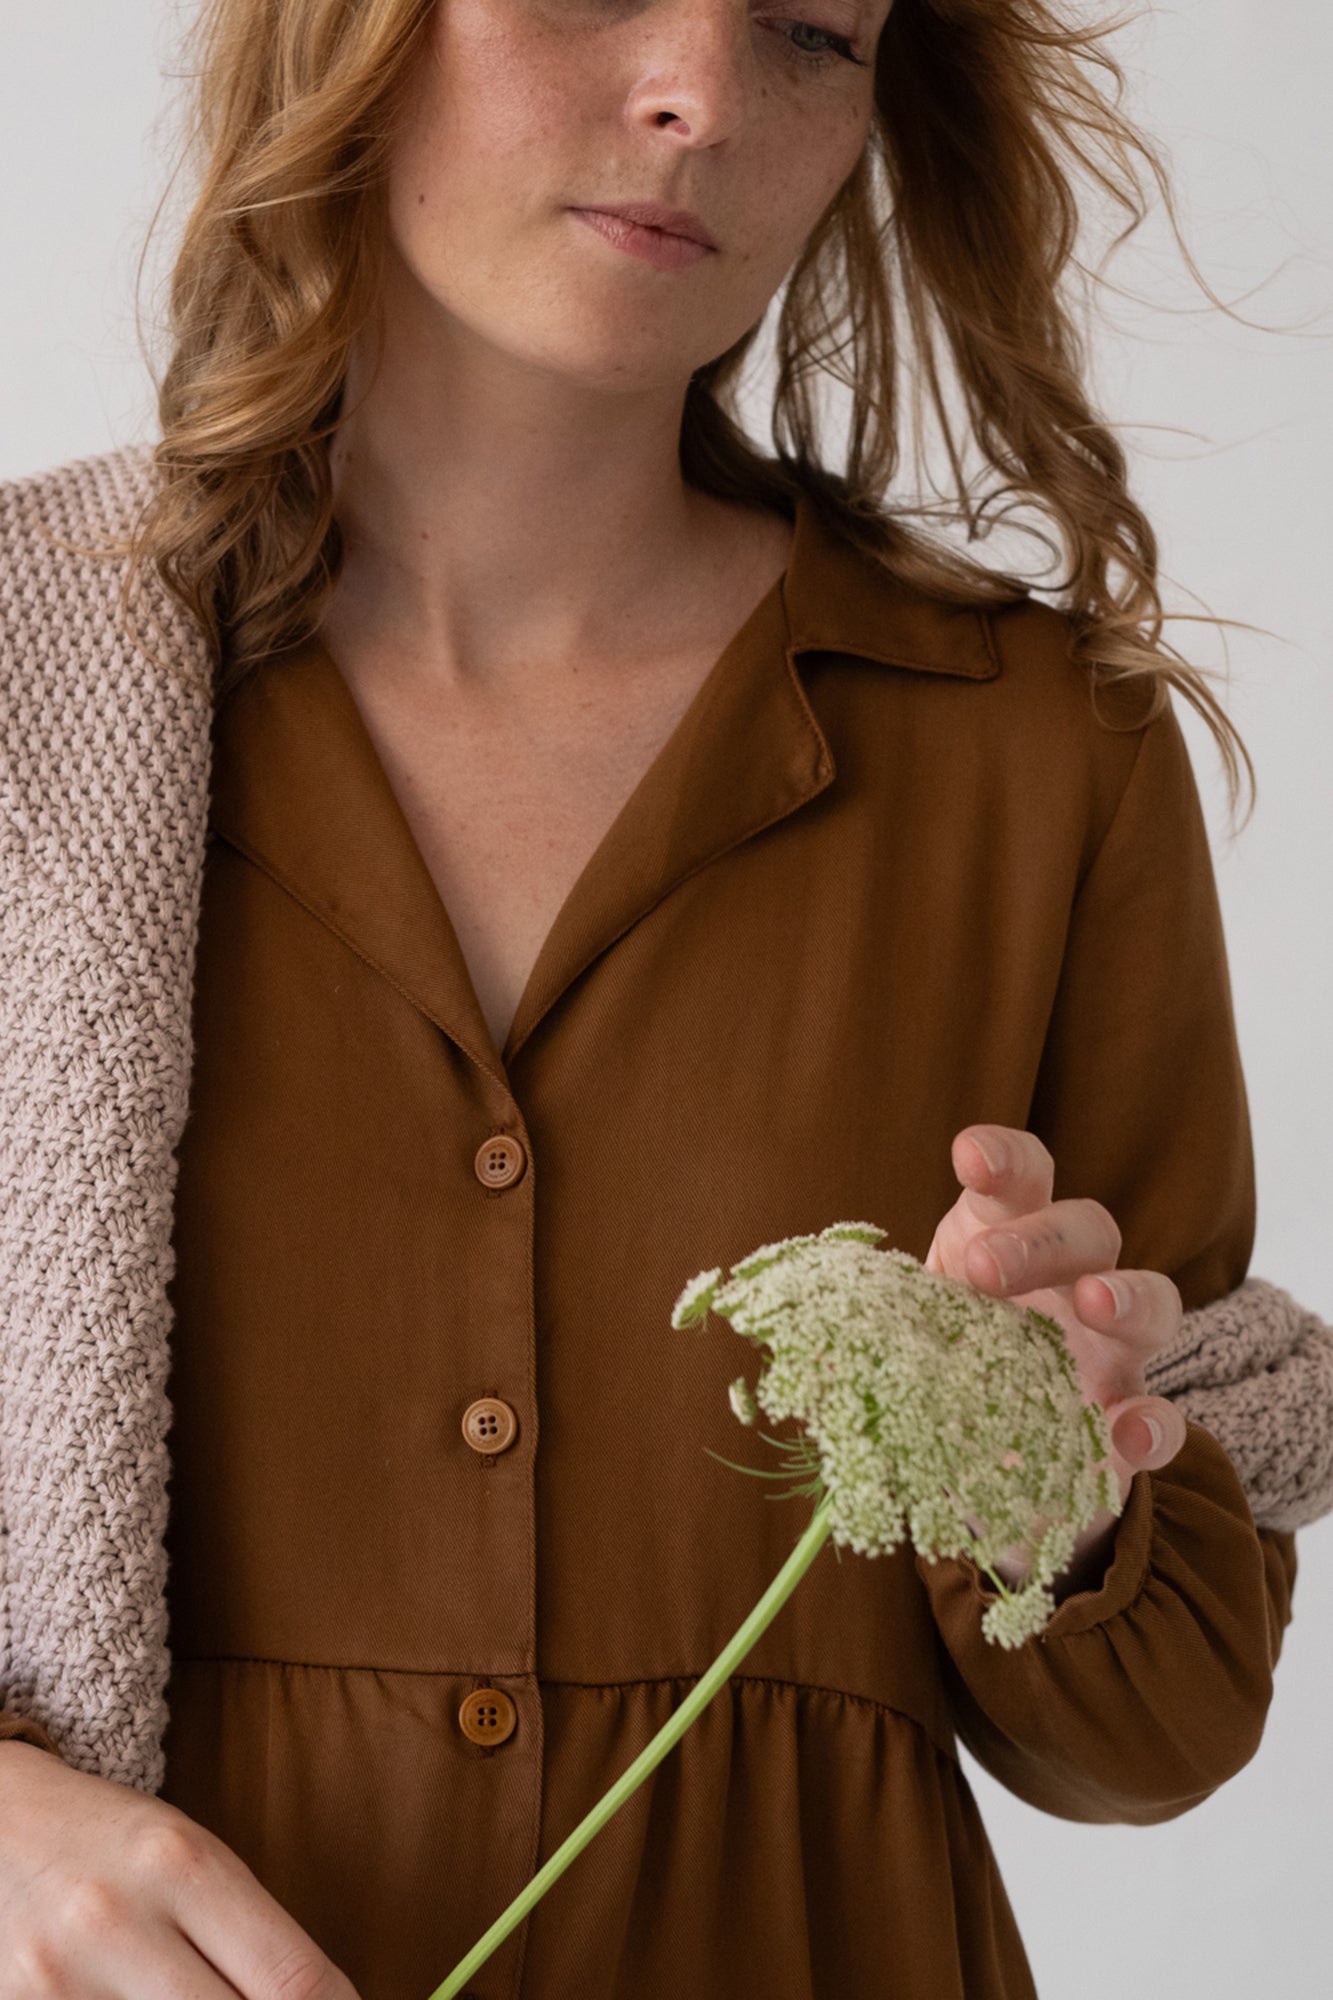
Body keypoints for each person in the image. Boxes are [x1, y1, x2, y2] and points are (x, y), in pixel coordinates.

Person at [1, 0, 1330, 1995]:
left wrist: (1041, 1470)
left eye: (814, 29)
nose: (702, 98)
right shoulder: (29, 688)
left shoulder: (1038, 752)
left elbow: (1155, 1723)